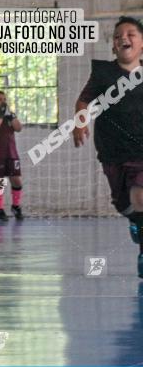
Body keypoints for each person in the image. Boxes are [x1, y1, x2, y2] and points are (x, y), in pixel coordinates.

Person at [73, 16, 143, 277]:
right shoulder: (103, 73)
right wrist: (80, 123)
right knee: (123, 203)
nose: (123, 38)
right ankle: (135, 221)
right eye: (117, 36)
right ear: (113, 46)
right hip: (112, 150)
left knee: (140, 195)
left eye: (131, 34)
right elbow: (83, 101)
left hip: (140, 149)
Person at [0, 90, 24, 222]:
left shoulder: (9, 115)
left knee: (17, 180)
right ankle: (0, 210)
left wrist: (11, 116)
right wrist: (1, 114)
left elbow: (18, 128)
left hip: (11, 153)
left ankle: (16, 206)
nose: (3, 101)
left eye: (4, 99)